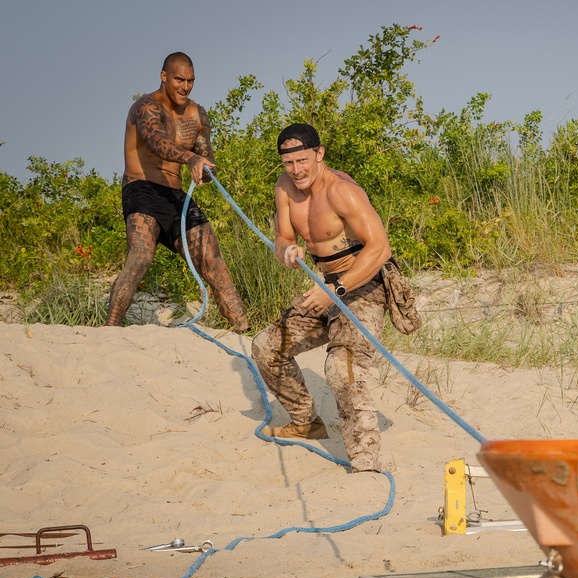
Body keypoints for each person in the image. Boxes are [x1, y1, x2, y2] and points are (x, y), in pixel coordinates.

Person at [251, 123, 392, 473]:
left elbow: (381, 249)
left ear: (319, 154)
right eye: (288, 163)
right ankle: (305, 421)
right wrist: (286, 251)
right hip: (322, 285)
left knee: (341, 368)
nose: (296, 170)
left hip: (362, 284)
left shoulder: (342, 192)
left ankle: (365, 460)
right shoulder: (284, 188)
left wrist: (336, 290)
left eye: (302, 160)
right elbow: (282, 236)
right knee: (265, 348)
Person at [106, 52, 248, 331]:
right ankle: (108, 332)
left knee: (213, 260)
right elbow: (156, 141)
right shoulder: (145, 107)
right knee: (140, 256)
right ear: (164, 77)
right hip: (142, 189)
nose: (185, 86)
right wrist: (190, 158)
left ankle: (244, 330)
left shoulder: (198, 114)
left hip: (176, 197)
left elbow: (208, 161)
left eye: (190, 80)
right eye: (179, 79)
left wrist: (206, 168)